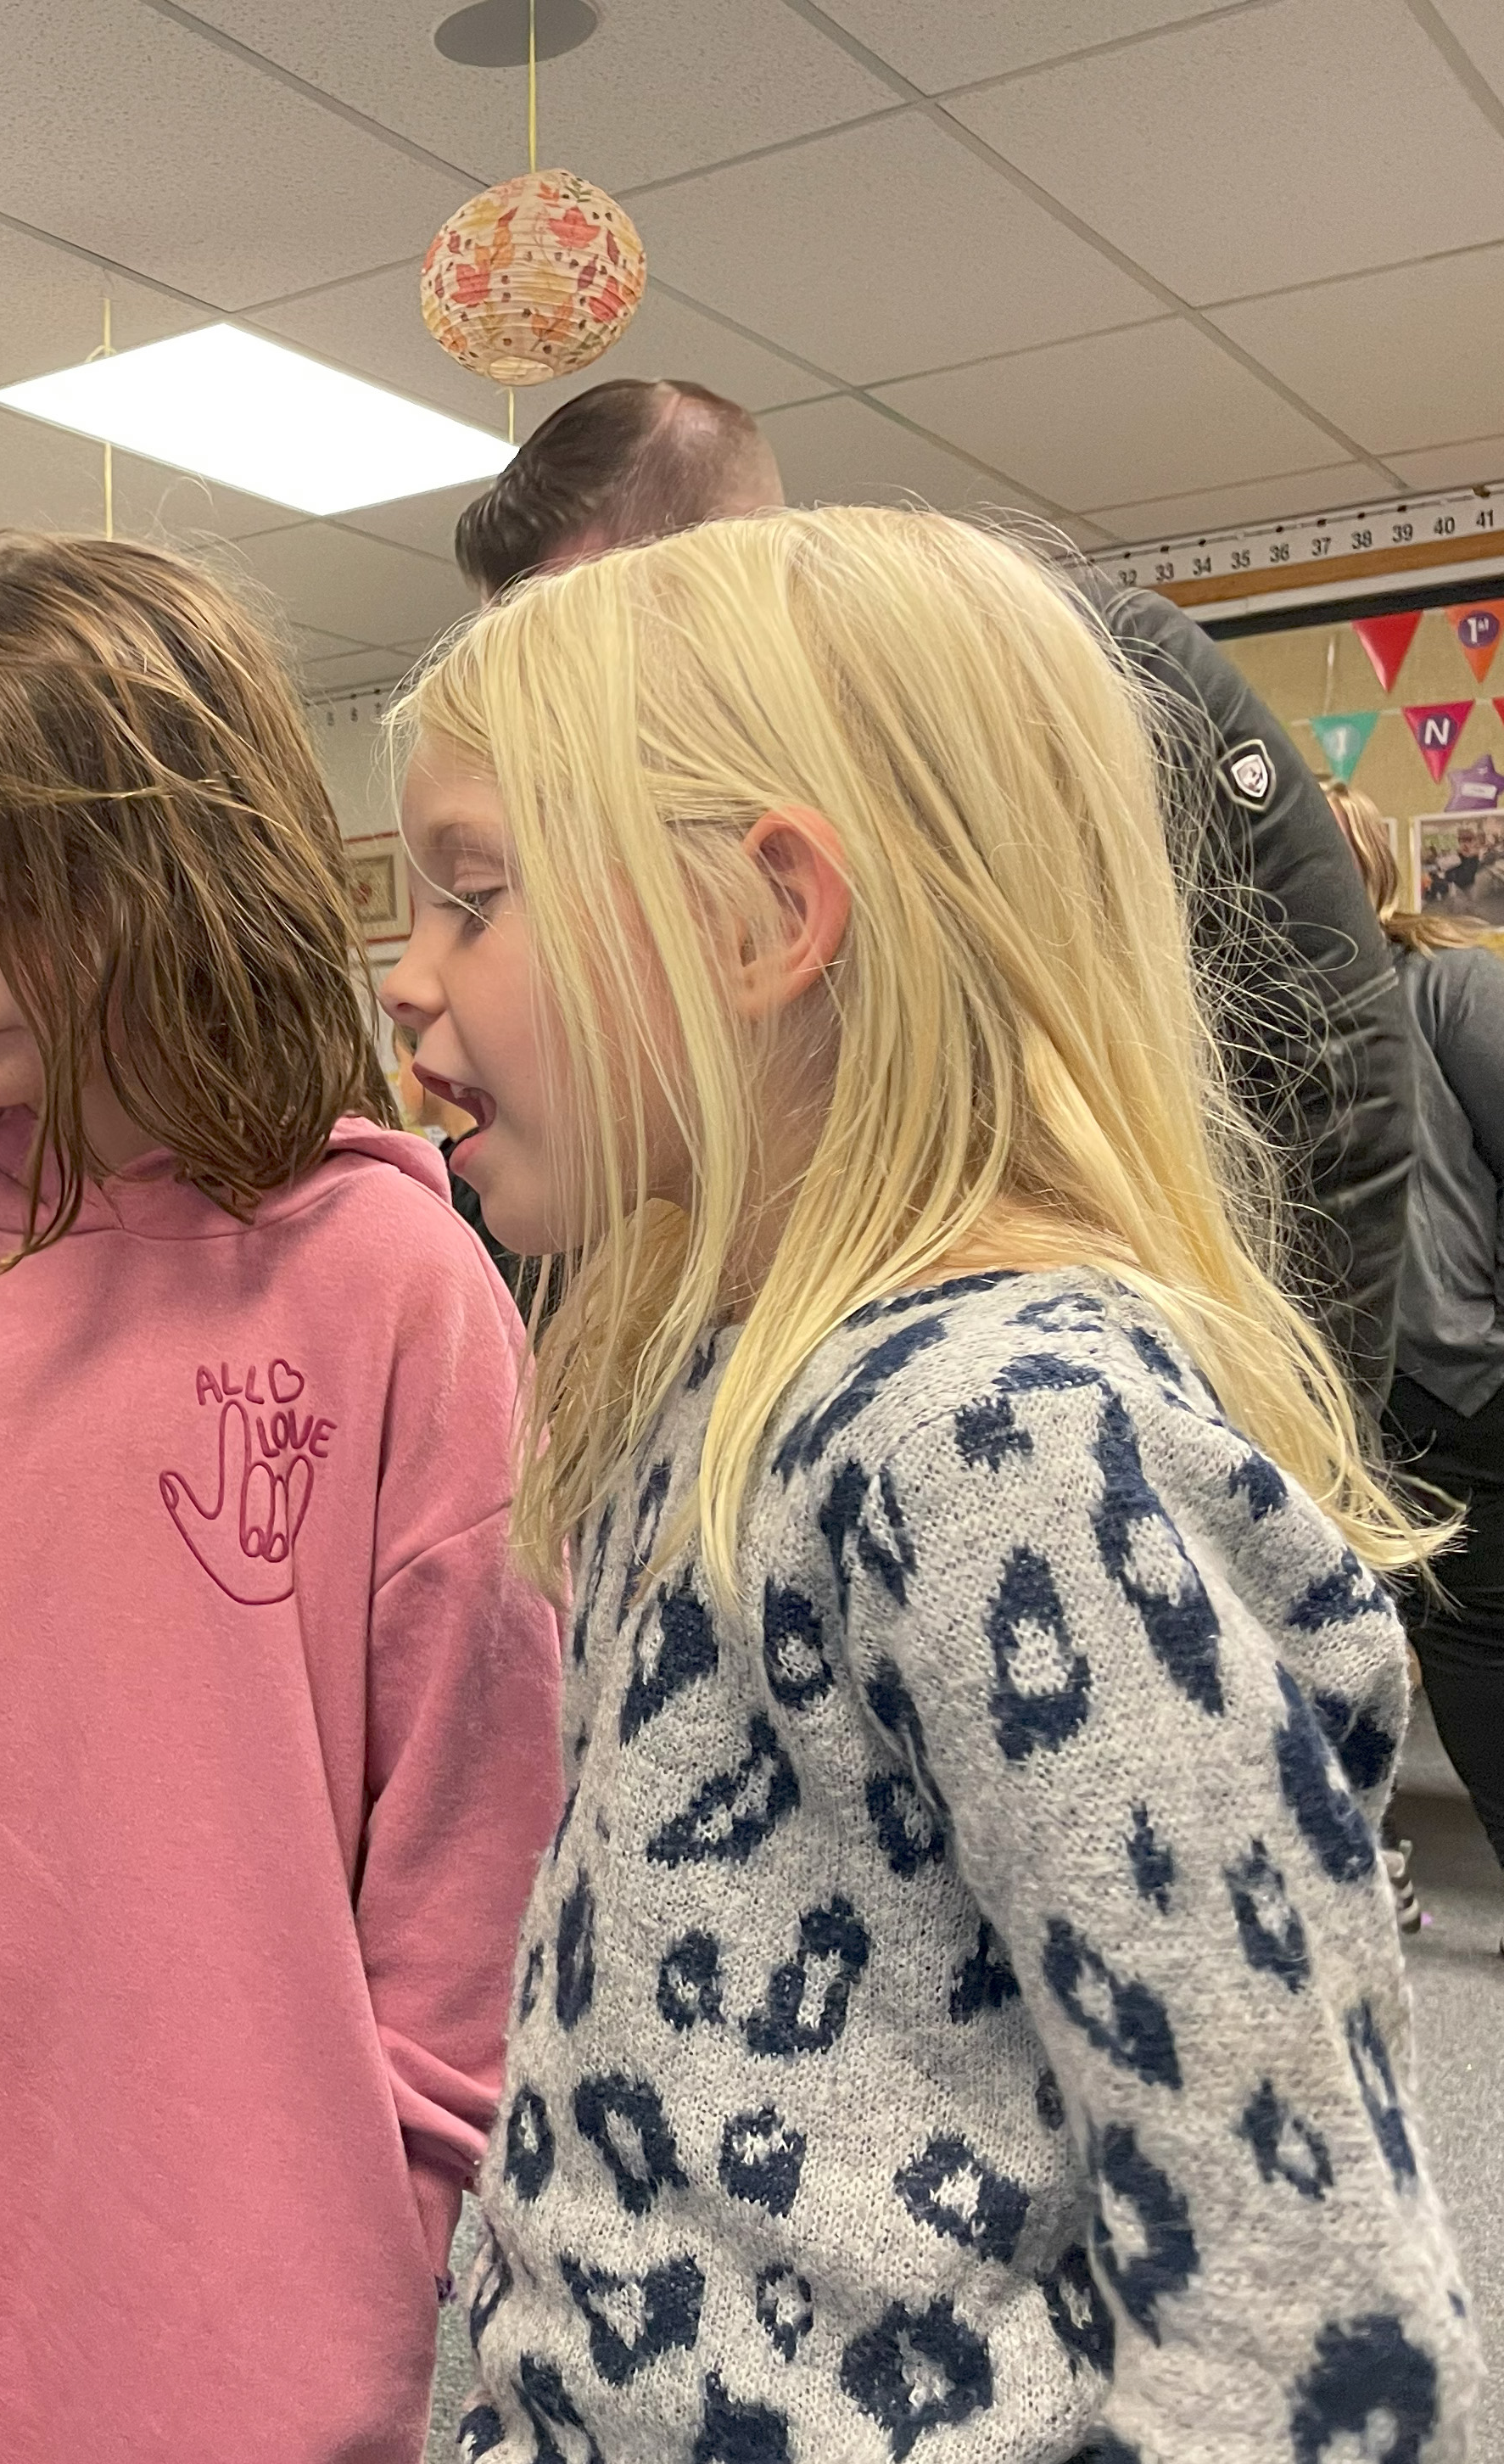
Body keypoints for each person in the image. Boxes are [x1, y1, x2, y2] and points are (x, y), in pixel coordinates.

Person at [389, 505, 1476, 2458]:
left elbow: (1306, 2321)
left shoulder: (1020, 1446)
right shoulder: (700, 1380)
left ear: (761, 920)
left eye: (472, 894)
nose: (405, 976)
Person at [0, 535, 567, 2459]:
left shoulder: (397, 1286)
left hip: (249, 2282)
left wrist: (396, 2212)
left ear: (185, 865)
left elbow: (472, 1824)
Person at [452, 378, 1418, 1406]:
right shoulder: (666, 801)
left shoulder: (1084, 670)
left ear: (737, 545)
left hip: (1087, 1387)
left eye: (596, 622)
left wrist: (1279, 1433)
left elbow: (1333, 1070)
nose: (565, 684)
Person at [1330, 780, 1504, 1921]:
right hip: (1335, 1394)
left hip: (1455, 1371)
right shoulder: (1237, 1024)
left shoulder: (1446, 986)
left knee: (1479, 1636)